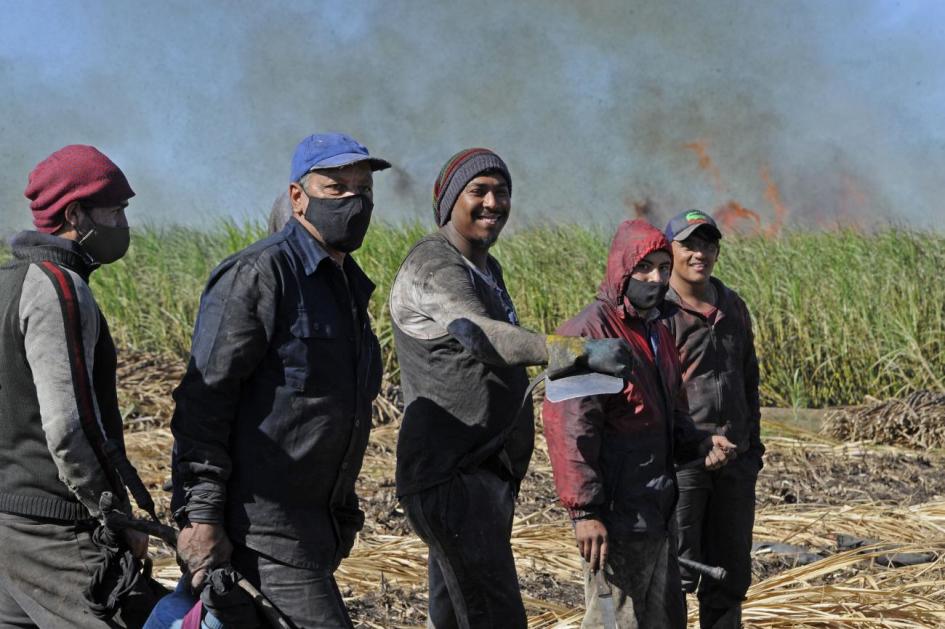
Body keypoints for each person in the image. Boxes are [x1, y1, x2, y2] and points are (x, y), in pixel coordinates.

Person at [390, 148, 635, 629]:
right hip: (451, 476)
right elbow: (483, 336)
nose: (492, 203)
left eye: (501, 192)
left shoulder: (486, 268)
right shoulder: (435, 266)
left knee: (456, 614)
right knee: (493, 615)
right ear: (447, 202)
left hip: (484, 475)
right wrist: (572, 351)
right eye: (477, 191)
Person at [170, 132, 390, 628]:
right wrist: (200, 517)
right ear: (298, 197)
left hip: (316, 527)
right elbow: (204, 403)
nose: (354, 201)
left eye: (364, 189)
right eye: (336, 188)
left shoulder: (348, 287)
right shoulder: (259, 275)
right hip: (261, 528)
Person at [542, 219, 736, 629]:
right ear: (622, 269)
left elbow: (670, 414)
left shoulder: (657, 331)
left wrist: (701, 444)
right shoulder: (586, 331)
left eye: (664, 268)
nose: (657, 278)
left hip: (656, 512)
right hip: (614, 518)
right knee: (616, 623)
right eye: (645, 268)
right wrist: (585, 513)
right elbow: (571, 430)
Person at [0, 144, 150, 626]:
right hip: (54, 527)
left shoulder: (7, 281)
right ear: (75, 213)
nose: (123, 223)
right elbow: (71, 425)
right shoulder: (60, 288)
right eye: (117, 210)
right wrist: (113, 514)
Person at [663, 210, 765, 629]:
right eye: (688, 244)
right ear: (669, 250)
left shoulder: (732, 304)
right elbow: (653, 395)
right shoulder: (659, 310)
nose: (699, 253)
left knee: (729, 576)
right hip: (685, 464)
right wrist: (680, 450)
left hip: (735, 463)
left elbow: (749, 380)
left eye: (707, 244)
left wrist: (753, 451)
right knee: (676, 574)